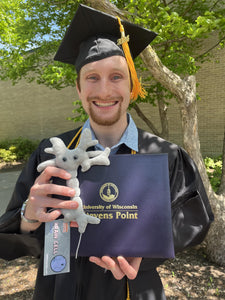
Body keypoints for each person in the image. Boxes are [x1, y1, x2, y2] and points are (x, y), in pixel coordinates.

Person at [0, 4, 214, 300]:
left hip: (135, 288)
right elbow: (12, 240)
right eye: (92, 77)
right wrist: (29, 216)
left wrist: (146, 251)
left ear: (132, 85)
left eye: (116, 76)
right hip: (62, 290)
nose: (104, 91)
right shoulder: (50, 155)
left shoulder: (165, 156)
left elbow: (195, 219)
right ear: (78, 88)